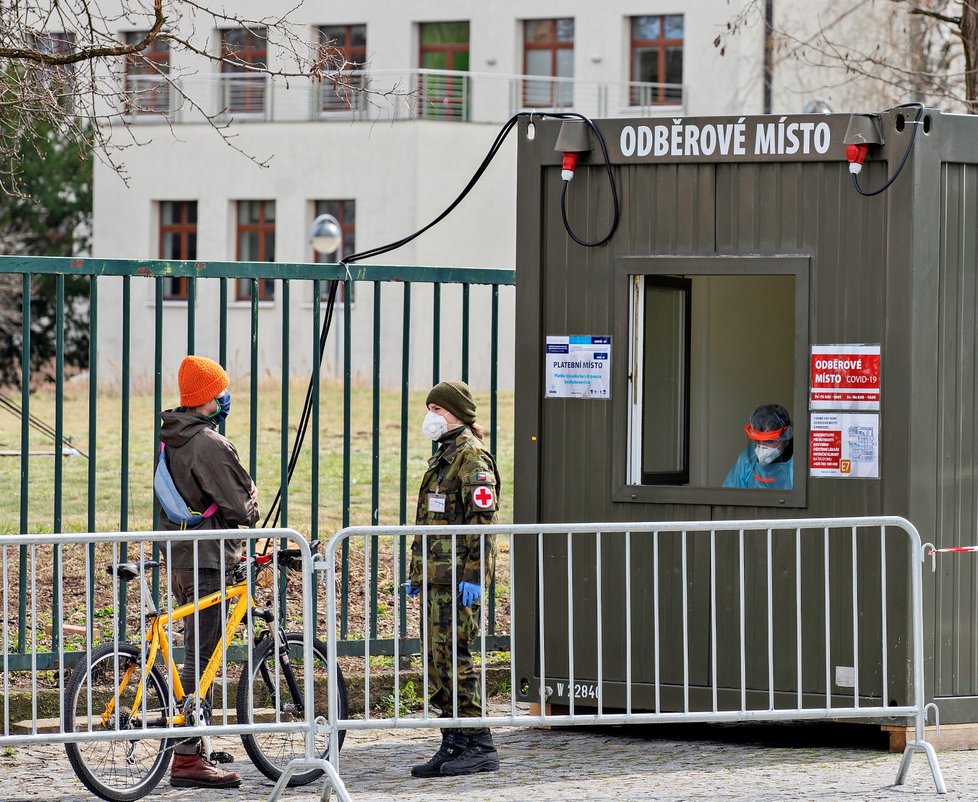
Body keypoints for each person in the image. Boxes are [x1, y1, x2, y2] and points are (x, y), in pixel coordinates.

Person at [158, 355, 259, 789]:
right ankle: (186, 758)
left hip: (183, 557)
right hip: (210, 562)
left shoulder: (171, 437)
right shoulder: (209, 444)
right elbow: (242, 508)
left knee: (199, 652)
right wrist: (252, 497)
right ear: (205, 398)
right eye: (219, 390)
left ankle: (197, 743)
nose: (225, 396)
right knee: (201, 658)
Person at [407, 380, 501, 778]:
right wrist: (417, 570)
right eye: (429, 409)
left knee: (456, 660)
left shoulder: (471, 458)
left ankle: (479, 743)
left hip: (459, 583)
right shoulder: (444, 456)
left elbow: (483, 525)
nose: (431, 417)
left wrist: (475, 576)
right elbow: (429, 521)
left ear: (458, 414)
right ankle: (453, 741)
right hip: (436, 579)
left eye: (438, 410)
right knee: (438, 662)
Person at [722, 403, 794, 490]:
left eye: (769, 441)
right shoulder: (748, 459)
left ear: (785, 437)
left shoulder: (798, 462)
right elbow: (730, 494)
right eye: (757, 440)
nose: (762, 448)